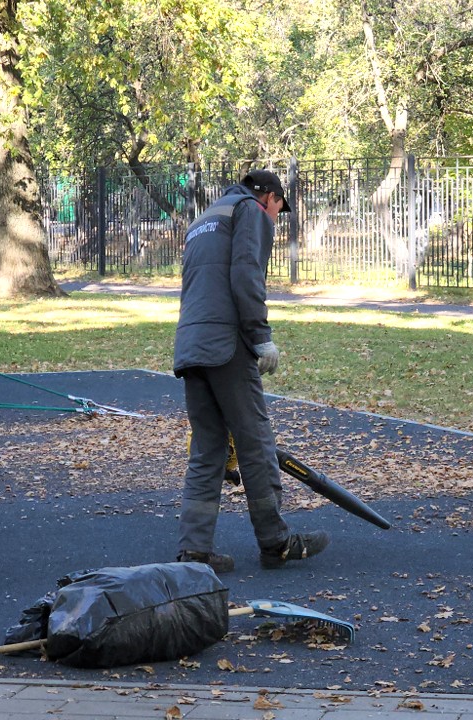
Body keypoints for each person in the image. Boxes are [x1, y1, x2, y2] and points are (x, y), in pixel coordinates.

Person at [173, 170, 330, 573]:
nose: (278, 217)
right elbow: (246, 275)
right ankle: (275, 541)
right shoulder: (250, 212)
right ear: (270, 197)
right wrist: (261, 336)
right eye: (280, 207)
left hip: (191, 345)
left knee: (207, 449)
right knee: (256, 444)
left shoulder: (204, 218)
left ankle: (194, 552)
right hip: (227, 346)